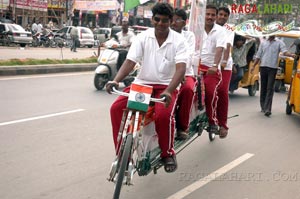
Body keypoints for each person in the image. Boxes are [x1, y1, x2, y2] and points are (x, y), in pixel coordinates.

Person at [106, 2, 187, 173]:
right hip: (142, 86)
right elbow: (130, 61)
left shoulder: (179, 40)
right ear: (152, 19)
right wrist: (115, 80)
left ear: (171, 21)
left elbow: (181, 69)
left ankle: (167, 153)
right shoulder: (142, 37)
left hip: (165, 87)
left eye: (165, 20)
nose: (160, 24)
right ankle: (122, 155)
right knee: (116, 108)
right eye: (157, 19)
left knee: (163, 116)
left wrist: (169, 91)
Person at [200, 5, 227, 137]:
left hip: (211, 70)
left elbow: (219, 49)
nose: (210, 17)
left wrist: (215, 65)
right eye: (207, 14)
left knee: (210, 92)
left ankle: (213, 121)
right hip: (194, 68)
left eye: (212, 15)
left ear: (215, 17)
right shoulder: (196, 29)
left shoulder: (220, 31)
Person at [251, 35, 295, 117]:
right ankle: (263, 106)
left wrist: (291, 55)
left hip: (273, 68)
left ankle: (268, 109)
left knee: (270, 88)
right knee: (263, 87)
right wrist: (253, 66)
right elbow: (258, 55)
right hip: (263, 67)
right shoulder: (263, 42)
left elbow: (284, 51)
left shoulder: (279, 42)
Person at [170, 8, 196, 140]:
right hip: (168, 74)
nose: (173, 23)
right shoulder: (165, 34)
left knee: (188, 90)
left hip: (186, 72)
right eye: (172, 20)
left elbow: (189, 56)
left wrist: (181, 72)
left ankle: (182, 127)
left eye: (177, 20)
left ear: (184, 22)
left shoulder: (189, 36)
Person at [215, 6, 234, 138]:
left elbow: (227, 47)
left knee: (222, 91)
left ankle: (223, 124)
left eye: (225, 15)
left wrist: (223, 62)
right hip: (208, 64)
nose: (222, 17)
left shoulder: (229, 30)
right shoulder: (209, 27)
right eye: (220, 14)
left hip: (224, 66)